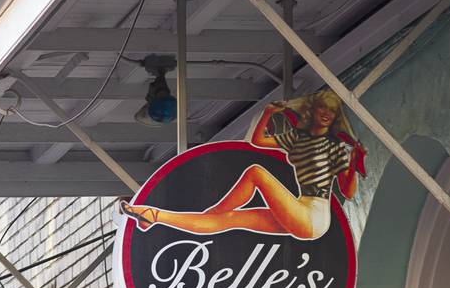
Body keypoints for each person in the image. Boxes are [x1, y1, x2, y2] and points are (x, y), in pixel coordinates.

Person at [119, 89, 365, 240]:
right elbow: (258, 140)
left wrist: (353, 163)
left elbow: (348, 191)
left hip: (315, 214)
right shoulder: (298, 139)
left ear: (334, 117)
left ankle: (213, 212)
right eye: (323, 107)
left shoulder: (335, 148)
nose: (326, 114)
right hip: (300, 211)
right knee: (229, 221)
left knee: (256, 173)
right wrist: (267, 113)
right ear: (314, 109)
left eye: (332, 111)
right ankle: (154, 216)